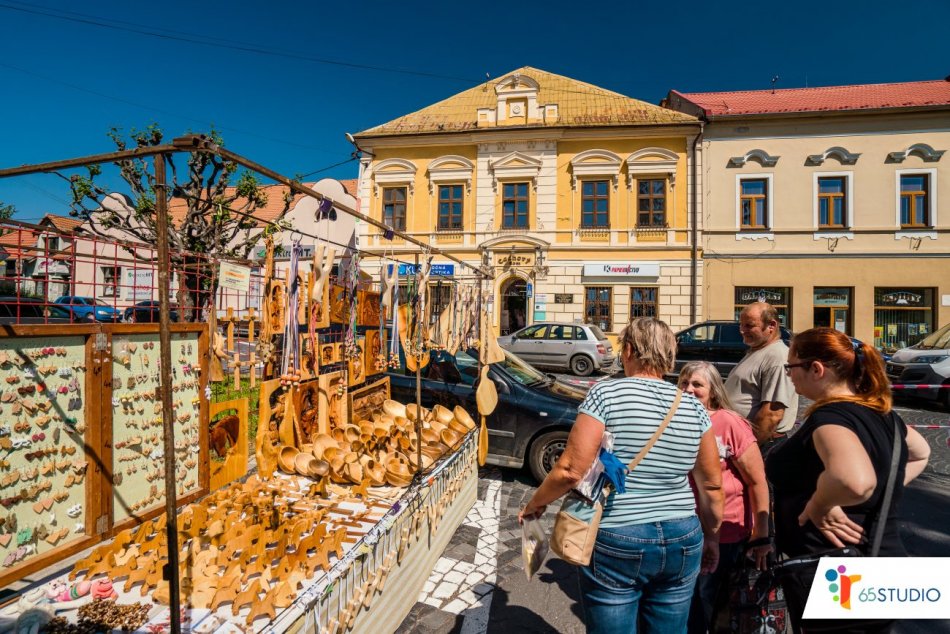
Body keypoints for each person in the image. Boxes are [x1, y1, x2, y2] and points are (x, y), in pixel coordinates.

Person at [519, 317, 723, 634]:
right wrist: (712, 537)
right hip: (683, 533)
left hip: (620, 532)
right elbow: (711, 484)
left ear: (627, 350)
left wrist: (535, 504)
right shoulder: (693, 407)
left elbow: (571, 469)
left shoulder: (606, 393)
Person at [766, 328, 931, 633]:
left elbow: (853, 480)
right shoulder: (885, 416)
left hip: (840, 574)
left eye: (791, 367)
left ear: (816, 369)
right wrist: (882, 488)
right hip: (884, 562)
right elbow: (921, 454)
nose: (789, 375)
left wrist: (821, 502)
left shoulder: (830, 418)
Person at [678, 362, 771, 634]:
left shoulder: (728, 422)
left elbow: (757, 481)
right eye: (684, 383)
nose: (689, 390)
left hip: (727, 530)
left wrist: (761, 534)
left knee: (716, 602)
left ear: (713, 390)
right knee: (690, 601)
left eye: (697, 385)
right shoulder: (675, 420)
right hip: (686, 528)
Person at [725, 302, 798, 449]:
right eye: (741, 325)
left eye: (749, 325)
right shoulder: (758, 349)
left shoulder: (776, 357)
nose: (742, 330)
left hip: (762, 445)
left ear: (771, 325)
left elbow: (772, 414)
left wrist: (747, 448)